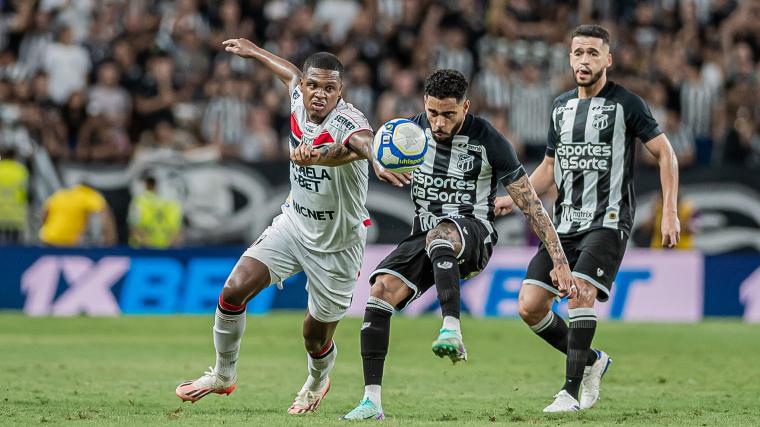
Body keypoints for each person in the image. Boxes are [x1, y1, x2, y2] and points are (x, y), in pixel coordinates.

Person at [175, 38, 405, 414]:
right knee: (233, 291)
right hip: (294, 224)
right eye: (314, 85)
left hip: (338, 245)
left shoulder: (349, 121)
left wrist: (376, 158)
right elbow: (290, 73)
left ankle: (317, 381)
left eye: (329, 88)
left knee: (314, 338)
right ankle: (222, 374)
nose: (319, 94)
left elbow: (357, 143)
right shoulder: (298, 95)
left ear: (340, 91)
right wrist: (254, 51)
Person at [342, 69, 575, 420]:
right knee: (380, 290)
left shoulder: (490, 141)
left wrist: (558, 259)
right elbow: (360, 147)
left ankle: (452, 328)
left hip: (475, 234)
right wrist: (370, 161)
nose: (439, 122)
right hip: (424, 235)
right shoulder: (407, 134)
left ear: (466, 106)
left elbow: (531, 204)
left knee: (442, 236)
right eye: (433, 112)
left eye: (448, 114)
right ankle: (371, 402)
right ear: (424, 103)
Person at [497, 25, 681, 413]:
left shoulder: (627, 104)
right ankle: (594, 360)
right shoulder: (561, 106)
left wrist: (669, 212)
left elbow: (665, 153)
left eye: (593, 53)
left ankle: (569, 391)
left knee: (580, 294)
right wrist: (516, 200)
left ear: (608, 60)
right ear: (569, 58)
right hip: (562, 225)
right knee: (530, 306)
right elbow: (549, 166)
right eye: (578, 52)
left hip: (608, 220)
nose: (584, 60)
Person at [39, 181, 117, 247]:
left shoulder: (60, 195)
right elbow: (105, 212)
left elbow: (44, 213)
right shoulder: (88, 195)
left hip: (47, 238)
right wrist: (110, 238)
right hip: (68, 242)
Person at [128, 175, 183, 249]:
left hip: (143, 251)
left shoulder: (138, 202)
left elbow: (134, 228)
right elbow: (177, 232)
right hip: (165, 251)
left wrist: (151, 248)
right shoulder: (173, 203)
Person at [0, 147, 29, 244]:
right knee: (15, 249)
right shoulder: (21, 171)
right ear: (15, 157)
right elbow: (25, 194)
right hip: (16, 217)